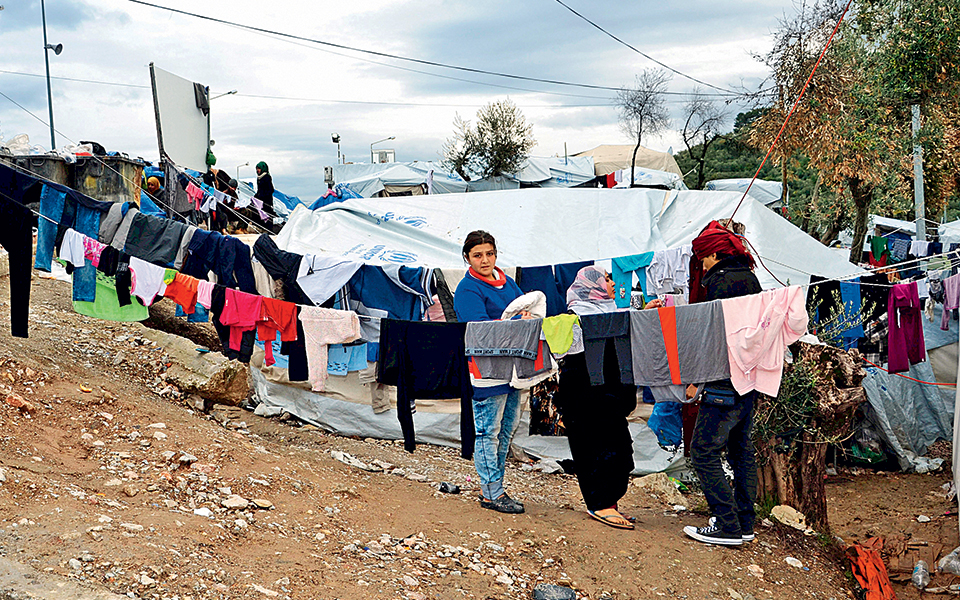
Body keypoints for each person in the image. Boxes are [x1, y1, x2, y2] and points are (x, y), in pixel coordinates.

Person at [556, 267, 662, 530]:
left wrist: (643, 315)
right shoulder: (574, 317)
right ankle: (600, 504)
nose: (613, 283)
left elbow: (622, 327)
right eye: (607, 279)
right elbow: (562, 353)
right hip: (585, 398)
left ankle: (608, 502)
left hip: (609, 398)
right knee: (595, 451)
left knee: (620, 452)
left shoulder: (611, 311)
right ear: (592, 285)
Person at [682, 220, 762, 547]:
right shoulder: (751, 278)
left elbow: (712, 337)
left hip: (723, 381)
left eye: (702, 258)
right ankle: (744, 522)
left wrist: (696, 381)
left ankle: (726, 523)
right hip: (749, 378)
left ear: (715, 253)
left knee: (702, 451)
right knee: (741, 450)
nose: (700, 264)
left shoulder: (720, 282)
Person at [454, 230, 529, 514]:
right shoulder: (468, 289)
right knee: (488, 431)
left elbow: (525, 307)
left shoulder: (507, 282)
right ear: (467, 258)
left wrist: (525, 317)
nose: (485, 260)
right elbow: (480, 329)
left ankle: (496, 488)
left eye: (489, 253)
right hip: (486, 369)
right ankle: (491, 493)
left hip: (514, 367)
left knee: (506, 430)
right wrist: (512, 321)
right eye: (477, 255)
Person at [254, 161, 275, 230]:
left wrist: (263, 196)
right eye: (257, 168)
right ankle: (263, 228)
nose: (257, 170)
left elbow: (270, 189)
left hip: (267, 201)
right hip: (261, 201)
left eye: (259, 168)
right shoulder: (259, 178)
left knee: (268, 214)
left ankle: (269, 230)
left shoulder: (267, 177)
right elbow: (259, 190)